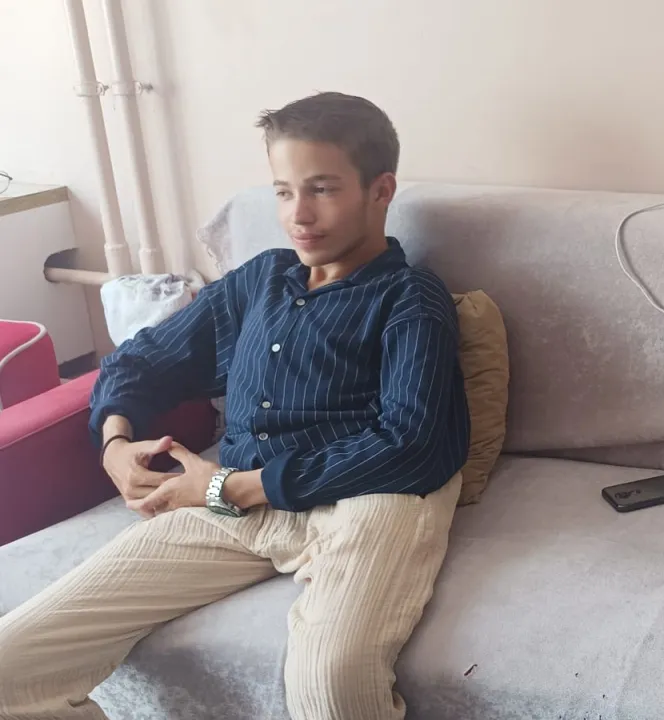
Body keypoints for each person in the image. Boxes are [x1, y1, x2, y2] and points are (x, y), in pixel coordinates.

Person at [0, 92, 470, 720]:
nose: (299, 215)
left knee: (330, 689)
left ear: (380, 190)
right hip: (230, 501)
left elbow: (413, 445)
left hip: (366, 501)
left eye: (322, 189)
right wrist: (114, 442)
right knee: (9, 664)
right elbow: (142, 359)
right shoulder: (262, 280)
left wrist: (230, 487)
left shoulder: (410, 296)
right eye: (283, 192)